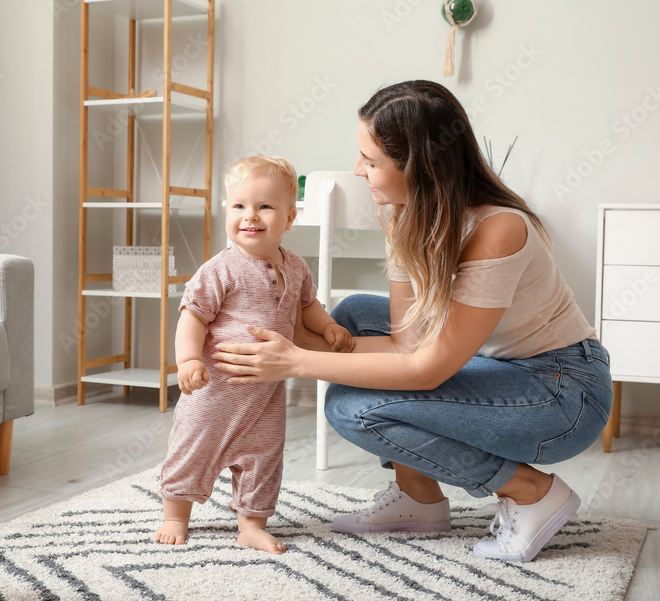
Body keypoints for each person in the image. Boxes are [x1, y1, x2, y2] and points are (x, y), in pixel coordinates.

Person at [210, 80, 613, 563]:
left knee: (351, 408)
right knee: (355, 314)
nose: (360, 171)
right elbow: (407, 342)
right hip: (493, 365)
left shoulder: (498, 229)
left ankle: (530, 490)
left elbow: (427, 368)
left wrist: (297, 361)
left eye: (372, 161)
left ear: (419, 164)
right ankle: (419, 499)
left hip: (562, 392)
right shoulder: (405, 216)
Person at [154, 155, 354, 554]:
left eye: (264, 206)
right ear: (227, 211)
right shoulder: (220, 269)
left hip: (265, 393)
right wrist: (189, 361)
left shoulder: (295, 267)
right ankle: (175, 515)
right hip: (214, 391)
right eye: (240, 206)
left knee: (264, 458)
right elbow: (192, 318)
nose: (251, 216)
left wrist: (328, 325)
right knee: (192, 449)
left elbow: (308, 306)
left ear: (289, 218)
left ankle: (251, 523)